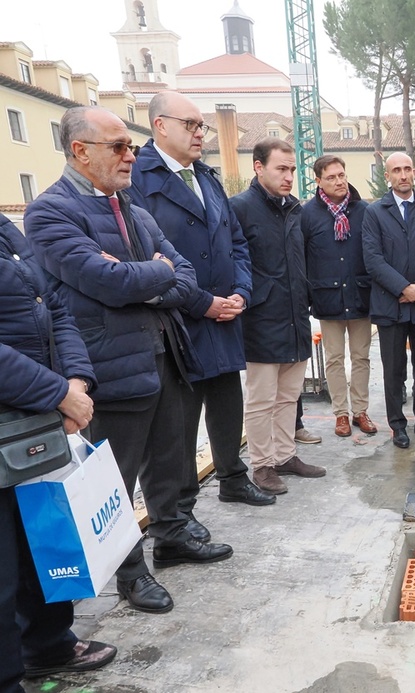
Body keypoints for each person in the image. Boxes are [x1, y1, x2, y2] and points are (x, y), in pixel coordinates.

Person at [25, 106, 233, 616]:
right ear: (80, 151)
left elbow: (181, 279)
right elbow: (106, 282)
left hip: (164, 352)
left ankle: (173, 535)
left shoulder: (134, 210)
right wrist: (151, 275)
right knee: (115, 478)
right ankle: (130, 573)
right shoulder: (50, 213)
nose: (130, 155)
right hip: (110, 366)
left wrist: (146, 278)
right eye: (119, 146)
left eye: (131, 146)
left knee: (171, 458)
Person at [128, 92, 275, 525]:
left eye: (201, 126)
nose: (199, 133)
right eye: (190, 125)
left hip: (225, 312)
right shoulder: (138, 179)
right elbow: (146, 258)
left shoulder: (207, 177)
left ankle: (232, 475)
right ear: (160, 126)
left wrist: (241, 294)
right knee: (178, 424)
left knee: (228, 402)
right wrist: (202, 302)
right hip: (178, 319)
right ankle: (178, 511)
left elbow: (236, 242)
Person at [1, 213, 117, 690]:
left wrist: (75, 382)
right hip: (24, 412)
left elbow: (55, 309)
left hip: (32, 424)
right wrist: (56, 392)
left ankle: (48, 645)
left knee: (38, 547)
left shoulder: (7, 230)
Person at [231, 138, 325, 496]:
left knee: (289, 396)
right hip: (260, 319)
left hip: (295, 316)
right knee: (261, 400)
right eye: (281, 169)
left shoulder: (294, 210)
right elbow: (233, 263)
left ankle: (286, 456)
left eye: (292, 170)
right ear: (258, 167)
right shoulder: (239, 208)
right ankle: (263, 465)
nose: (288, 177)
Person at [362, 152, 415, 450]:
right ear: (388, 176)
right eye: (397, 170)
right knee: (393, 369)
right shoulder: (375, 213)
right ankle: (398, 425)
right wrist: (402, 288)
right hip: (390, 306)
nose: (403, 174)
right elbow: (372, 258)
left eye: (408, 169)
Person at [302, 155, 378, 439]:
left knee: (361, 357)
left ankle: (360, 411)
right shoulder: (307, 214)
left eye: (342, 175)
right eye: (331, 177)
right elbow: (303, 258)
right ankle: (341, 414)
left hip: (360, 294)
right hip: (327, 296)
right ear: (319, 180)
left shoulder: (363, 210)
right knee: (334, 358)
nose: (339, 181)